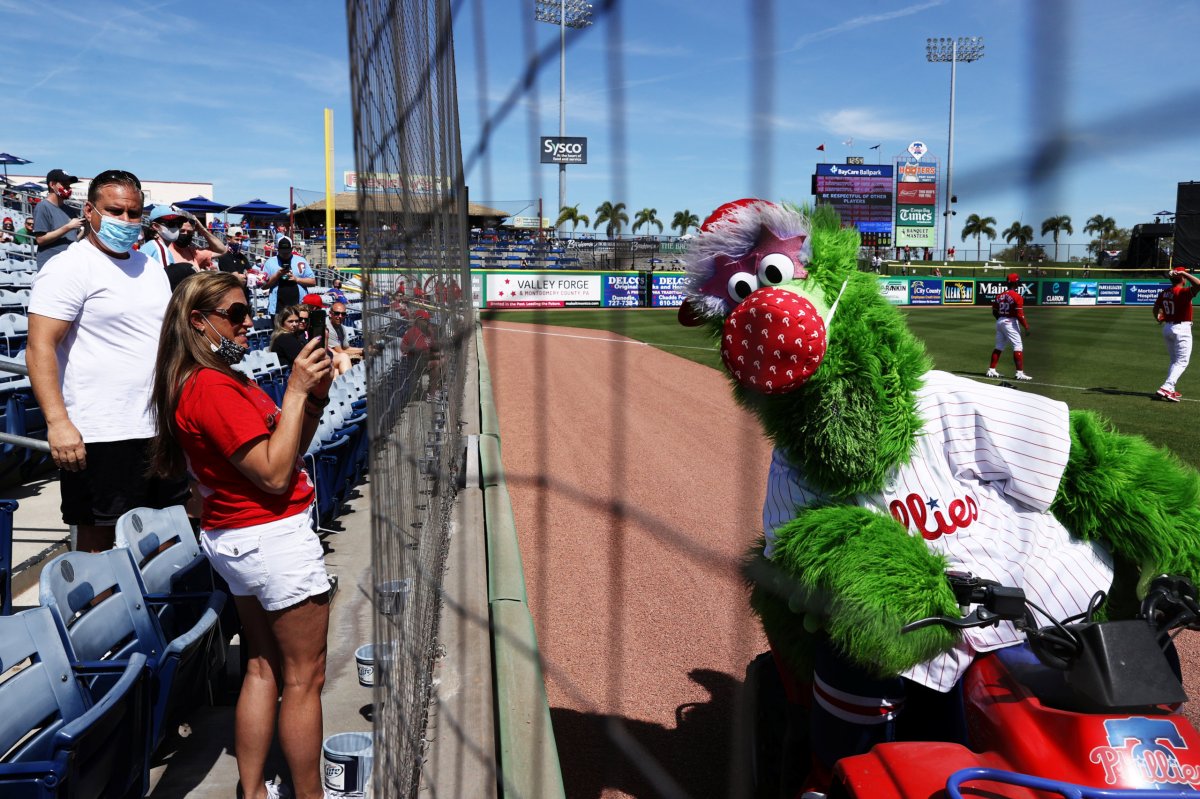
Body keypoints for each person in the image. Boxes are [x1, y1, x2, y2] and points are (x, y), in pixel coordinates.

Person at [148, 271, 333, 799]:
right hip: (268, 536)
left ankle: (252, 792)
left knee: (262, 664)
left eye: (248, 310)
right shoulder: (211, 387)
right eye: (235, 313)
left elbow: (288, 447)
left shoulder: (216, 379)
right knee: (304, 677)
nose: (249, 321)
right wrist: (295, 389)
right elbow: (275, 474)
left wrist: (312, 399)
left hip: (242, 537)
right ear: (198, 322)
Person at [27, 169, 190, 553]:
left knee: (164, 532)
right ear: (89, 210)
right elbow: (39, 348)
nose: (127, 221)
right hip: (100, 431)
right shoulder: (69, 267)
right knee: (99, 540)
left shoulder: (149, 266)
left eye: (135, 213)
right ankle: (95, 614)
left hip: (155, 425)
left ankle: (158, 612)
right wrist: (57, 423)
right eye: (116, 211)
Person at [1153, 266, 1200, 402]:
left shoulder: (1165, 292)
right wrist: (1184, 273)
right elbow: (1199, 284)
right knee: (1182, 361)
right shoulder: (1183, 292)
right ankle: (1166, 387)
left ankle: (1171, 389)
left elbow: (1155, 309)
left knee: (1175, 361)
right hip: (1182, 329)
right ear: (1183, 279)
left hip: (1168, 327)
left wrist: (1158, 318)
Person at [33, 168, 83, 270]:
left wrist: (85, 229)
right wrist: (68, 227)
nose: (68, 188)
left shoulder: (69, 210)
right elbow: (41, 239)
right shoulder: (43, 206)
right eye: (64, 184)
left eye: (69, 185)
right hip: (51, 266)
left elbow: (73, 239)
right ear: (52, 185)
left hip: (70, 264)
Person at [986, 272, 1032, 381]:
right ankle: (1019, 373)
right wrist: (1026, 326)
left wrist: (1001, 320)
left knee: (999, 346)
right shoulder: (1017, 297)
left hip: (1000, 321)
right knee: (1018, 346)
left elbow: (994, 311)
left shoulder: (999, 296)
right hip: (1010, 322)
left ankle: (991, 370)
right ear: (1016, 284)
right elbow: (1019, 315)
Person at [262, 236, 315, 315]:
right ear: (278, 249)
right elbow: (264, 286)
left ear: (291, 248)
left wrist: (297, 279)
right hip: (278, 308)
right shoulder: (270, 262)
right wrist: (277, 275)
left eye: (287, 252)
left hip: (299, 306)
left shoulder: (301, 260)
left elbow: (313, 282)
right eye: (282, 252)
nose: (285, 254)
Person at [400, 309, 441, 400]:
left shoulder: (427, 331)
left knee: (443, 358)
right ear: (419, 320)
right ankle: (431, 394)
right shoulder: (413, 332)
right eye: (425, 320)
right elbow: (417, 349)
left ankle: (437, 389)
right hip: (414, 361)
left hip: (424, 359)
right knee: (436, 363)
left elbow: (432, 345)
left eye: (427, 320)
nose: (427, 322)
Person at [217, 229, 254, 305]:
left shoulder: (242, 256)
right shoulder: (224, 255)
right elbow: (237, 279)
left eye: (241, 240)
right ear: (228, 239)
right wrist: (245, 276)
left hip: (244, 295)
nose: (240, 243)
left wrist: (247, 276)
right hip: (229, 296)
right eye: (237, 239)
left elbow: (251, 272)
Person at [326, 301, 362, 375]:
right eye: (337, 313)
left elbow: (346, 348)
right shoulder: (328, 327)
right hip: (329, 358)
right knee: (344, 358)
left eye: (343, 314)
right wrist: (362, 352)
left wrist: (363, 350)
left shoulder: (341, 327)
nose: (340, 316)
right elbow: (340, 351)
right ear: (330, 314)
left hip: (335, 357)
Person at [270, 305, 307, 370]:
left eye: (297, 321)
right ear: (282, 322)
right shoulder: (285, 337)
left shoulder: (290, 335)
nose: (295, 324)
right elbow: (301, 359)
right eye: (290, 321)